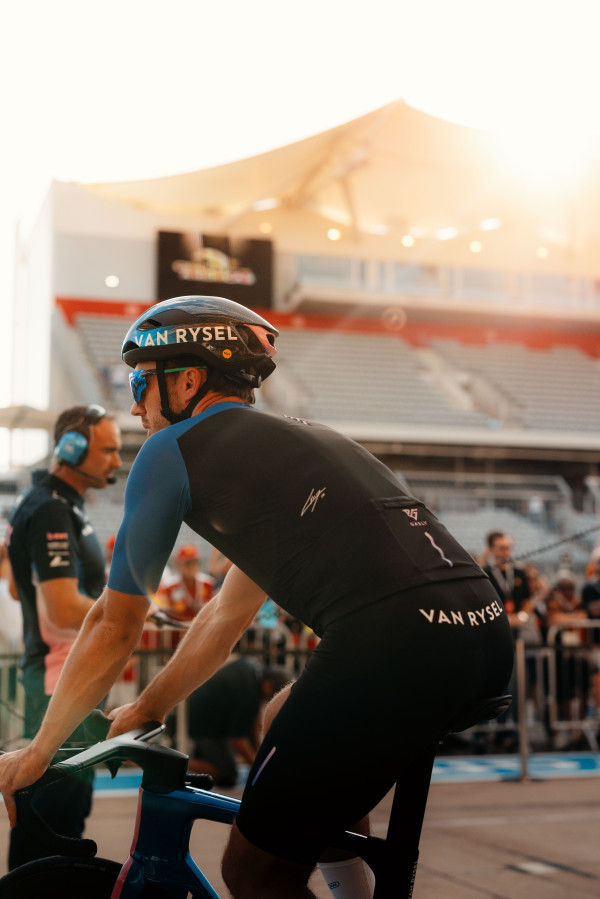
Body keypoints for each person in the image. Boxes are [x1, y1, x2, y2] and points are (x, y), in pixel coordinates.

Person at [0, 296, 514, 899]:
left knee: (252, 872)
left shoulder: (172, 449)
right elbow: (226, 613)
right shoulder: (304, 443)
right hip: (484, 633)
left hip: (393, 641)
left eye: (141, 383)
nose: (136, 405)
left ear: (187, 381)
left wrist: (38, 752)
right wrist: (149, 706)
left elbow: (115, 624)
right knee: (281, 720)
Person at [3, 403, 122, 869]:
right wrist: (133, 613)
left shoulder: (58, 504)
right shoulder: (52, 507)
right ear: (70, 449)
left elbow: (20, 587)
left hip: (67, 679)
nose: (117, 461)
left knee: (60, 824)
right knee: (53, 829)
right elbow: (63, 607)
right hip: (60, 683)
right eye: (108, 450)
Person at [187, 656, 290, 786]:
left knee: (227, 767)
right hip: (204, 724)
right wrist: (259, 768)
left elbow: (254, 724)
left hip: (204, 713)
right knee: (227, 776)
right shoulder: (249, 695)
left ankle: (190, 761)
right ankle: (177, 763)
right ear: (269, 685)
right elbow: (238, 739)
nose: (270, 701)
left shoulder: (253, 667)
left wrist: (259, 757)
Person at [155, 544, 215, 622]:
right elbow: (163, 611)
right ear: (178, 565)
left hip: (202, 625)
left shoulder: (209, 583)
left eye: (195, 562)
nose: (193, 566)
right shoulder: (169, 586)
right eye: (188, 563)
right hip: (176, 627)